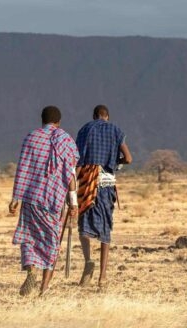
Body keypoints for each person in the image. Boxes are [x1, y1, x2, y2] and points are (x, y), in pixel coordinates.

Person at [9, 106, 79, 296]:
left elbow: (23, 168)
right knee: (52, 242)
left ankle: (31, 270)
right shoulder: (67, 141)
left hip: (31, 198)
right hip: (54, 201)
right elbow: (70, 175)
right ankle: (44, 287)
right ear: (59, 122)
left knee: (29, 237)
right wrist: (73, 203)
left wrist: (16, 197)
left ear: (42, 120)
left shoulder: (31, 138)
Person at [76, 105, 132, 289]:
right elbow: (129, 158)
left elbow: (77, 158)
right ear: (107, 116)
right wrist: (117, 161)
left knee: (84, 219)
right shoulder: (116, 130)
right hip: (107, 180)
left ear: (94, 116)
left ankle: (88, 260)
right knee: (106, 225)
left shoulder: (85, 129)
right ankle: (102, 276)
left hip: (87, 180)